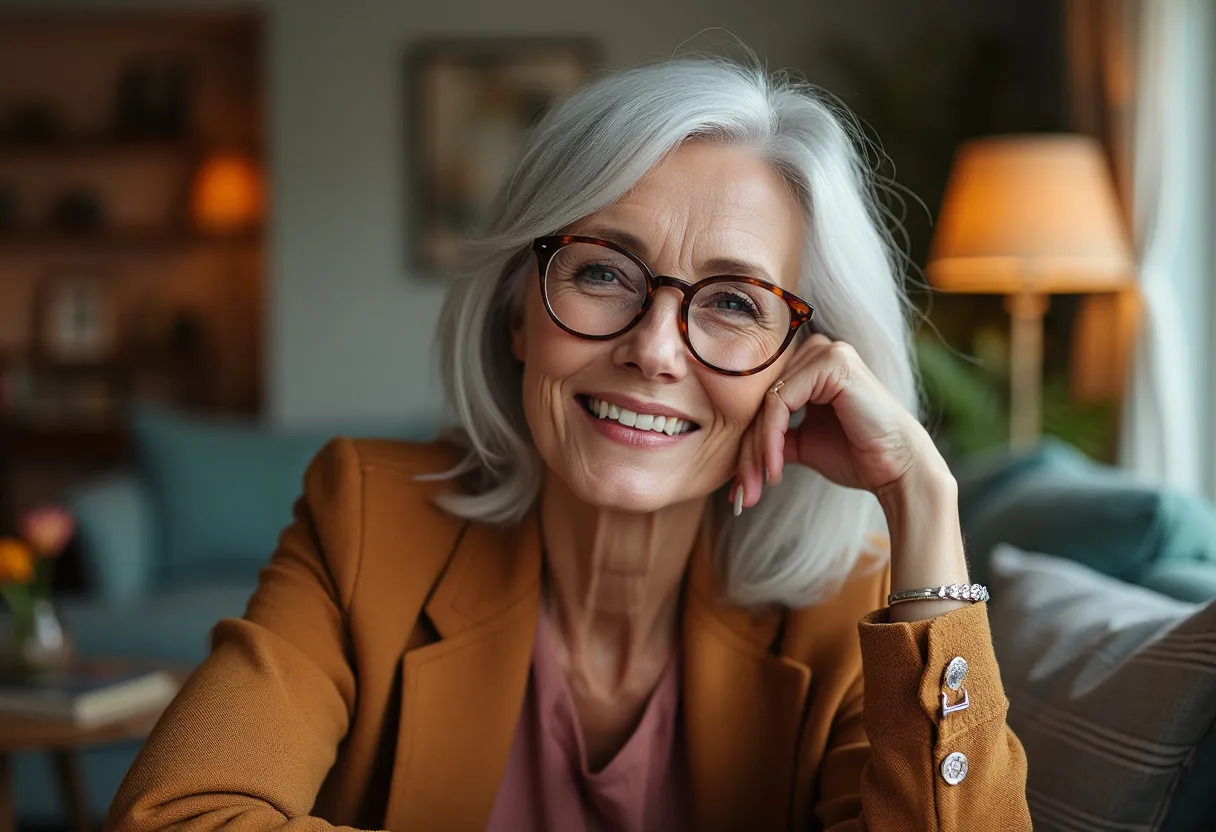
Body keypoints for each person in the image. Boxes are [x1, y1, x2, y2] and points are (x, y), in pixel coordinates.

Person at [106, 55, 1031, 831]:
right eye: (601, 271)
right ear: (519, 313)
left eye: (736, 303)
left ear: (800, 364)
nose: (653, 350)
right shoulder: (365, 520)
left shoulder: (854, 602)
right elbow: (178, 815)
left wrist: (924, 497)